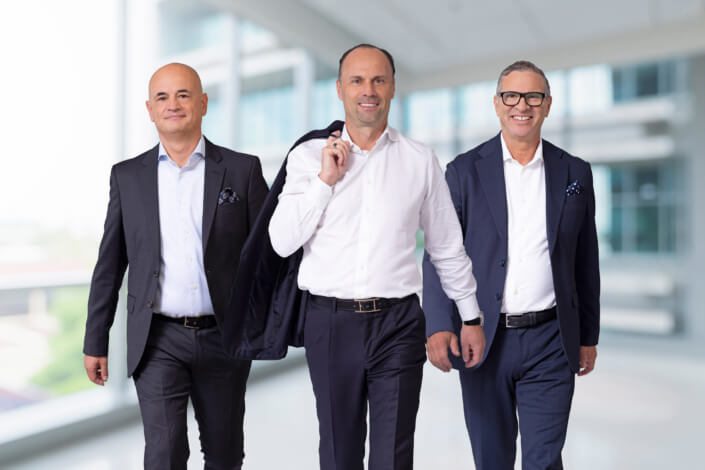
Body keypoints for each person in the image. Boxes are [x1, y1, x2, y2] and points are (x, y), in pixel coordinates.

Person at [267, 44, 485, 470]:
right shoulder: (308, 158)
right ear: (340, 89)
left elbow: (446, 247)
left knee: (393, 456)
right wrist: (325, 181)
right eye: (357, 80)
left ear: (392, 88)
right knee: (338, 453)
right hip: (329, 323)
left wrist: (471, 317)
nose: (368, 90)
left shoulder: (419, 159)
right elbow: (280, 241)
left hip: (398, 324)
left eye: (378, 80)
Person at [82, 63, 268, 470]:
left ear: (202, 103)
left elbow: (267, 256)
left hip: (224, 335)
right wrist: (96, 338)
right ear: (150, 110)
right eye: (162, 97)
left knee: (223, 454)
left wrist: (267, 324)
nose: (173, 105)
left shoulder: (243, 170)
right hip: (157, 337)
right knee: (164, 454)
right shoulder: (128, 177)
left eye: (183, 95)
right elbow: (110, 263)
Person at [423, 60, 600, 470]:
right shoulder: (464, 171)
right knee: (492, 458)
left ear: (548, 105)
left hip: (551, 342)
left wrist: (587, 334)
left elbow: (585, 259)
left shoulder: (575, 172)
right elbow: (439, 253)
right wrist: (437, 324)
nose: (523, 105)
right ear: (497, 104)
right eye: (511, 96)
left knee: (543, 460)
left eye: (533, 96)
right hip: (483, 339)